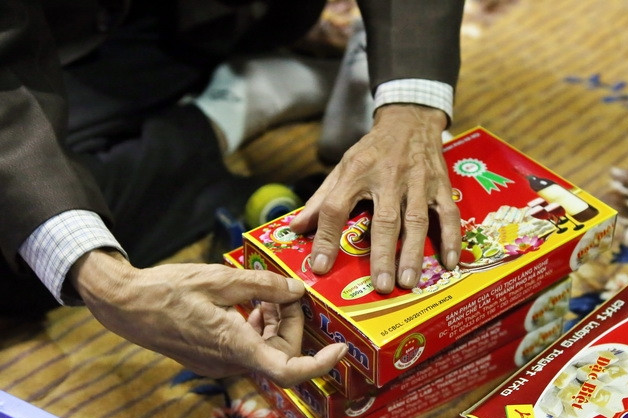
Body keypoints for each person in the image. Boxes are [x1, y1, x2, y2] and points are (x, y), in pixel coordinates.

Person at [0, 0, 465, 387]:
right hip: (39, 43)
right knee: (26, 259)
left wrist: (411, 108)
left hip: (222, 12)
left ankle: (380, 66)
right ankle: (236, 106)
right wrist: (109, 285)